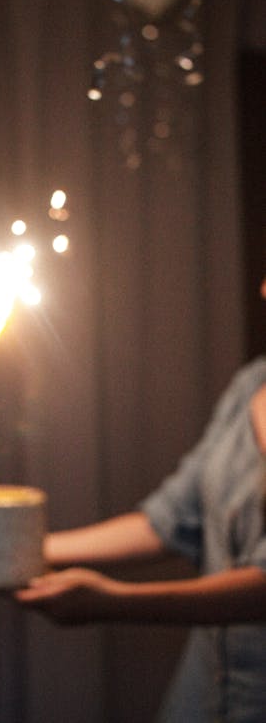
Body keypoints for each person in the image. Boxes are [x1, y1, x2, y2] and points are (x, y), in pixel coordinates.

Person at [16, 278, 266, 723]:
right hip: (203, 695)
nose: (264, 289)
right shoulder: (253, 382)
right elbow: (168, 520)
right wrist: (15, 552)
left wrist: (114, 603)